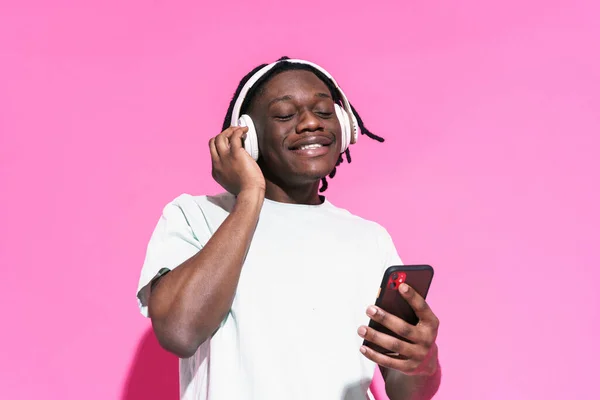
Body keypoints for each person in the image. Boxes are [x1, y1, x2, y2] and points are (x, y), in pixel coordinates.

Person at [136, 57, 442, 400]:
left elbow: (406, 390)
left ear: (344, 125)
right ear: (247, 137)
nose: (311, 123)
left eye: (325, 111)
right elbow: (179, 331)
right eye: (285, 115)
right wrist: (250, 195)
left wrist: (422, 363)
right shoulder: (194, 216)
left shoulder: (370, 239)